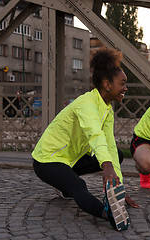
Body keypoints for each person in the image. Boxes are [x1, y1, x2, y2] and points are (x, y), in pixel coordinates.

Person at [32, 48, 139, 231]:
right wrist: (106, 166)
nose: (125, 88)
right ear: (107, 84)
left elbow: (109, 147)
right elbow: (94, 134)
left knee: (116, 157)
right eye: (122, 83)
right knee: (78, 185)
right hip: (47, 160)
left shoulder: (107, 110)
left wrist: (118, 188)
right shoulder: (86, 103)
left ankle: (66, 186)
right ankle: (108, 214)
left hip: (70, 160)